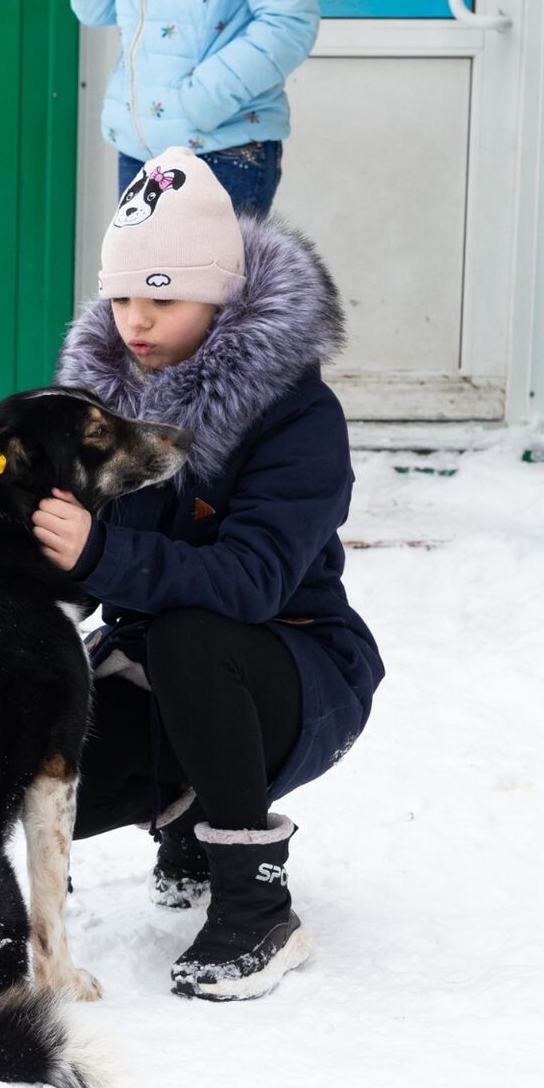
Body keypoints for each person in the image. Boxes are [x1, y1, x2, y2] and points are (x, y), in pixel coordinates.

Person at [31, 148, 383, 1001]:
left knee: (194, 638)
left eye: (162, 297)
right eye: (120, 297)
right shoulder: (105, 408)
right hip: (157, 671)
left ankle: (256, 908)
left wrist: (101, 553)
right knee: (36, 722)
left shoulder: (297, 415)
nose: (135, 322)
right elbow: (66, 573)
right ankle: (156, 835)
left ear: (222, 297)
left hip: (295, 674)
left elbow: (253, 581)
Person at [62, 0, 321, 216]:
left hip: (221, 146)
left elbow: (290, 23)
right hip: (139, 149)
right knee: (143, 268)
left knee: (211, 268)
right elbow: (97, 10)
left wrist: (203, 100)